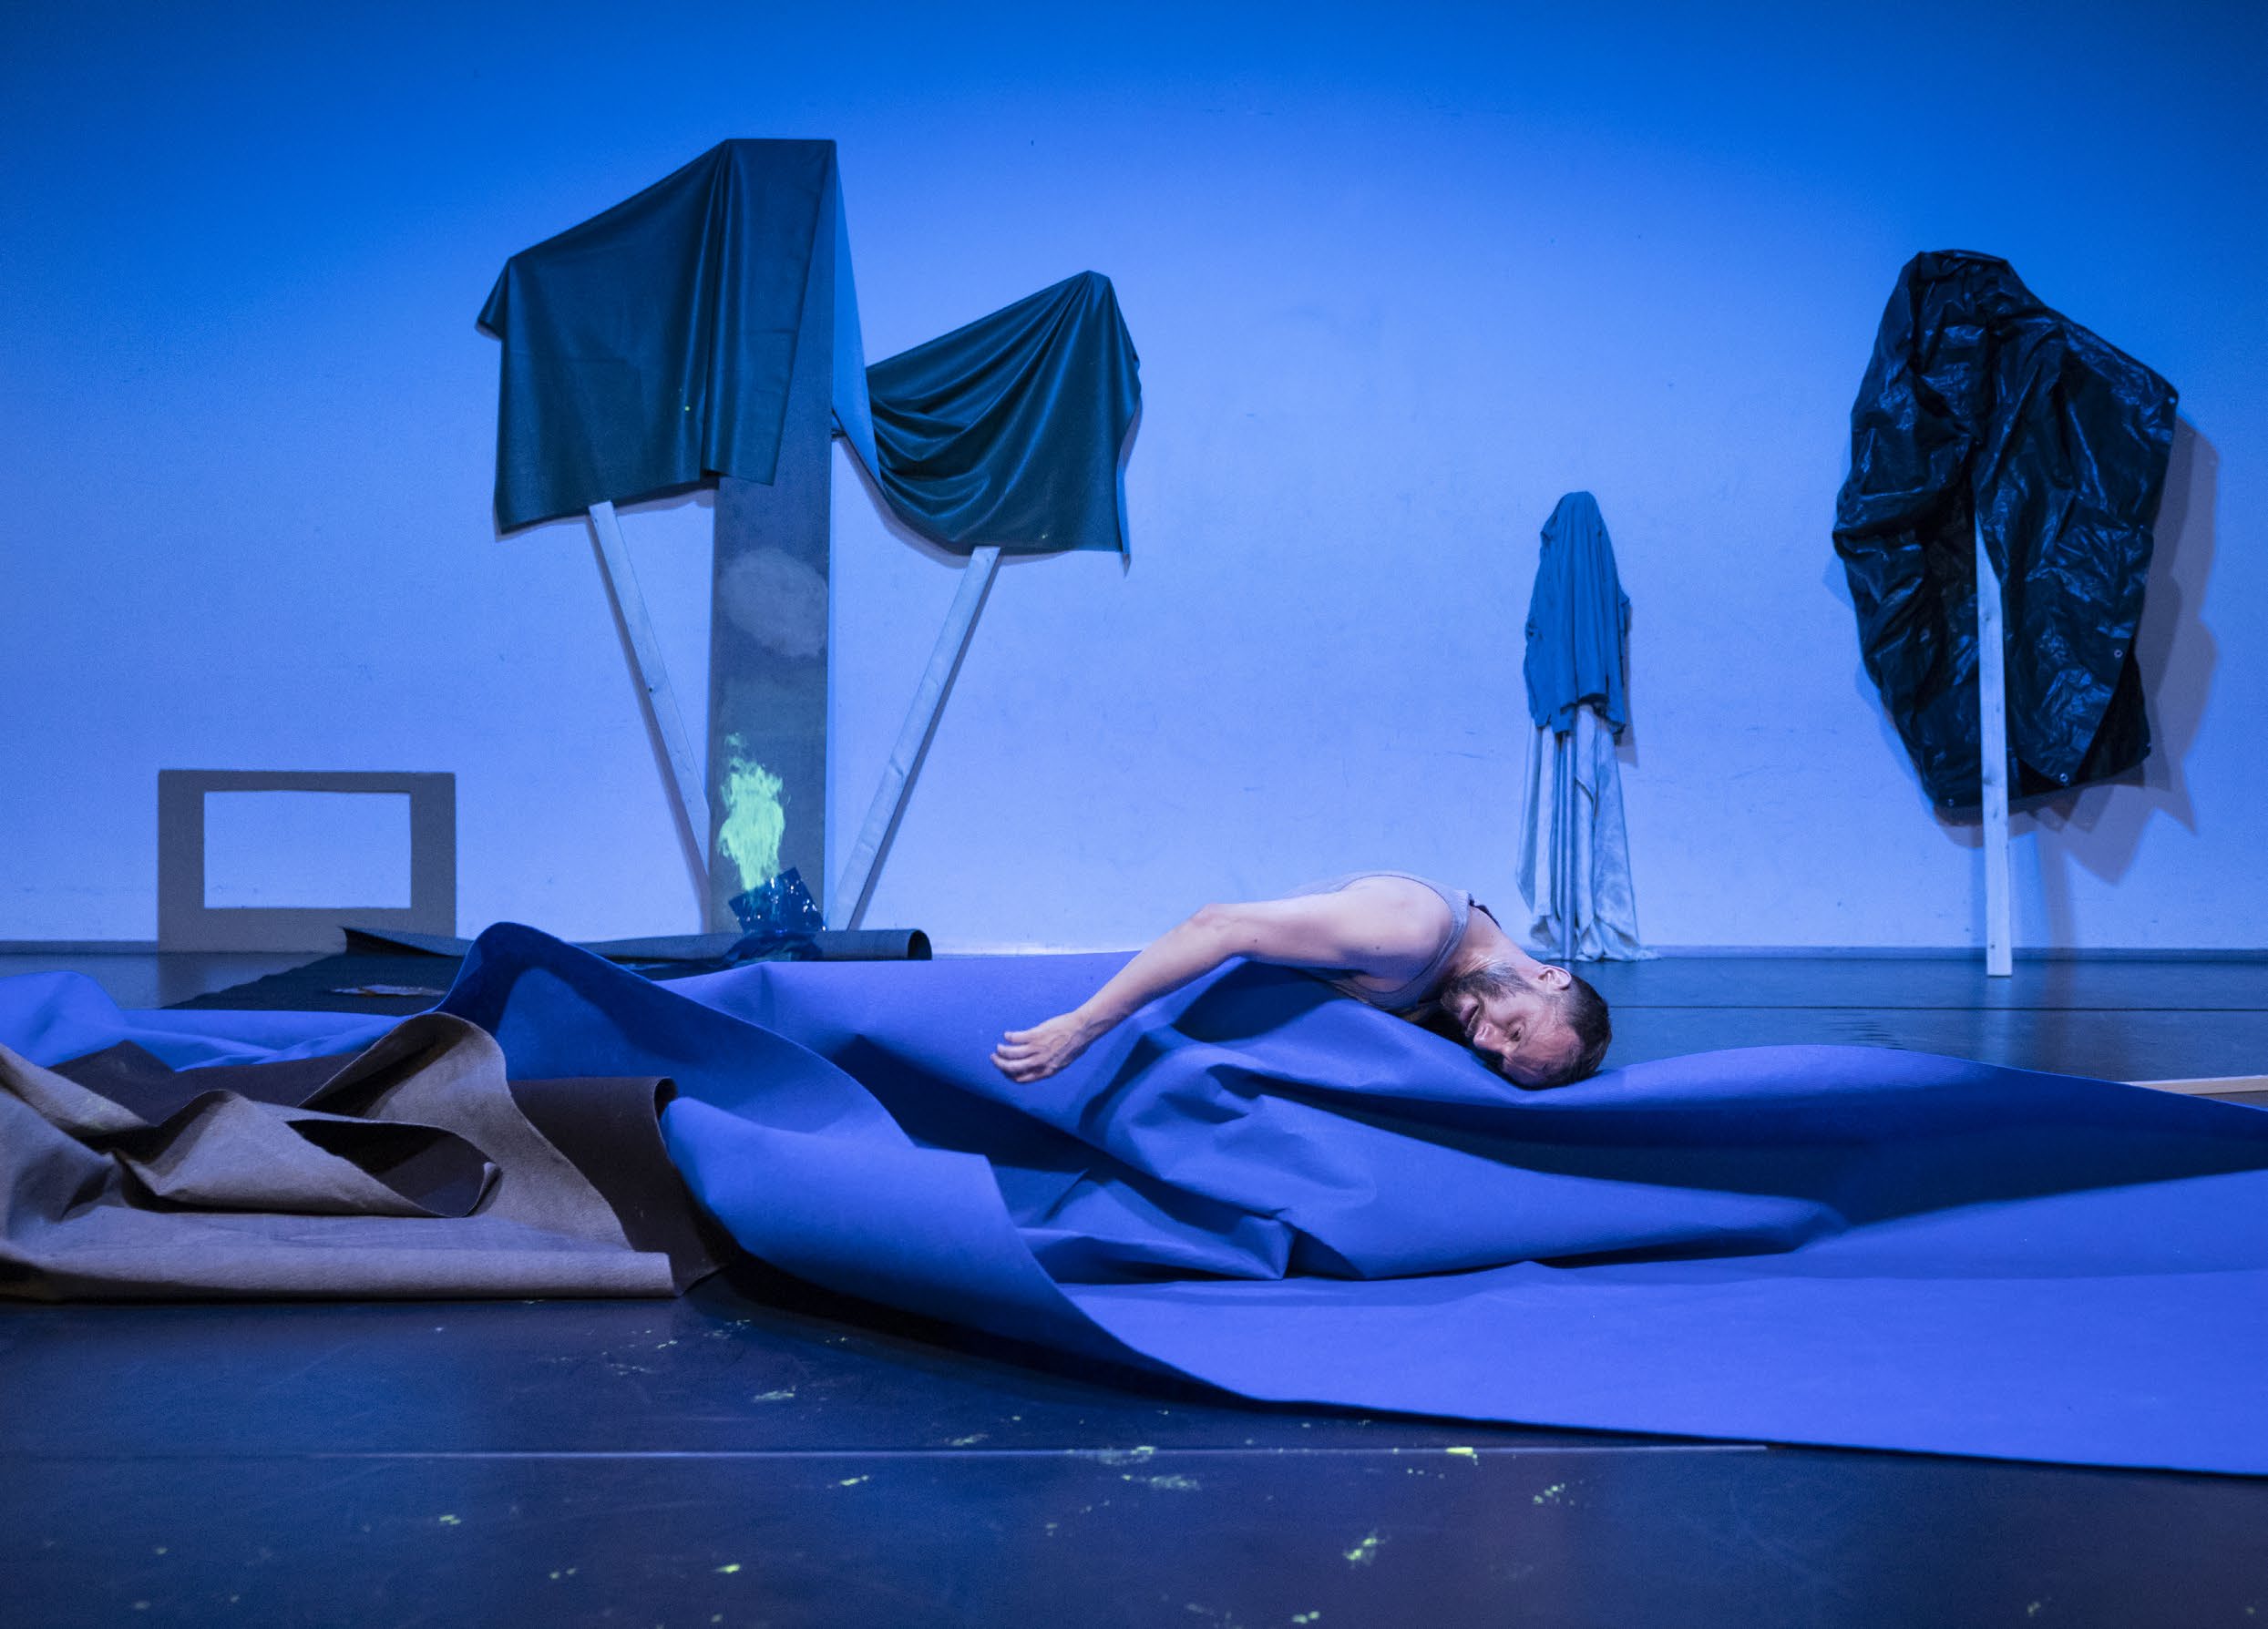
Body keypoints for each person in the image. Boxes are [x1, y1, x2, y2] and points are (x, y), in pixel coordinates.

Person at [992, 871, 1610, 1088]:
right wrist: (1081, 1026)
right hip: (1133, 1020)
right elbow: (1218, 925)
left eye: (1501, 1060)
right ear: (1551, 976)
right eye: (1514, 1031)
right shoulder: (1411, 931)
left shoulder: (1461, 982)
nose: (1486, 1043)